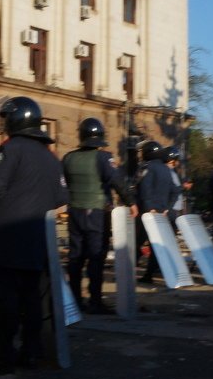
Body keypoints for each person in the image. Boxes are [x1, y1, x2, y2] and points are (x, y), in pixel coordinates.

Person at [0, 97, 68, 373]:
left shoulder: (11, 148)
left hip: (8, 237)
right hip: (38, 240)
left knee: (7, 300)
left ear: (15, 120)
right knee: (32, 299)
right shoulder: (50, 156)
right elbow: (61, 197)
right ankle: (32, 352)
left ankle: (5, 356)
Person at [62, 117, 135, 314]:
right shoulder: (103, 158)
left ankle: (75, 300)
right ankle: (95, 301)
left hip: (74, 212)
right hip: (96, 213)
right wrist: (131, 202)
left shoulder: (68, 158)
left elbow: (62, 183)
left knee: (75, 257)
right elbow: (116, 180)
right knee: (96, 256)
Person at [134, 140, 178, 283]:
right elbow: (175, 191)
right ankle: (149, 275)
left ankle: (127, 272)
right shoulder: (167, 169)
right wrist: (167, 208)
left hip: (147, 212)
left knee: (137, 242)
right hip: (161, 213)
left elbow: (144, 189)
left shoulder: (147, 167)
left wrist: (148, 208)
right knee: (155, 245)